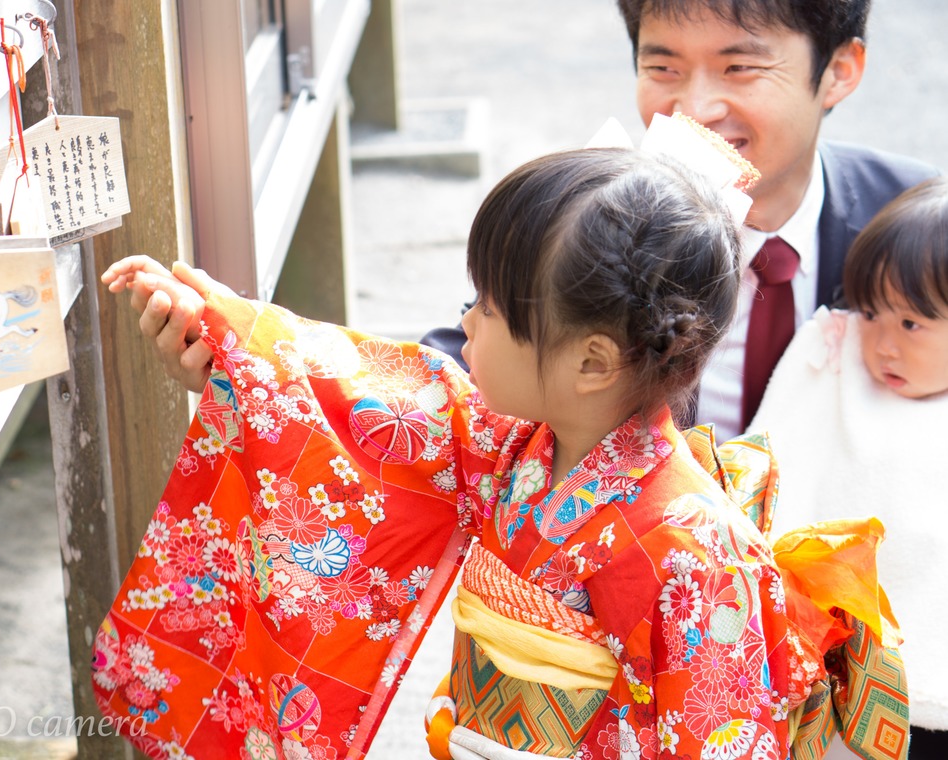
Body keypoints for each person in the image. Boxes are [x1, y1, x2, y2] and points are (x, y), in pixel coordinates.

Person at [94, 127, 902, 759]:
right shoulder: (513, 445)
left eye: (489, 307)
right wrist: (233, 335)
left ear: (591, 363)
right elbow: (369, 400)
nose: (466, 323)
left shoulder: (695, 552)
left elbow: (722, 739)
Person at [417, 0, 939, 439]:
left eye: (740, 68)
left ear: (839, 70)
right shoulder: (602, 216)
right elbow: (483, 346)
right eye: (664, 69)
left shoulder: (916, 224)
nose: (695, 108)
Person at [749, 177, 948, 758]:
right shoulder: (832, 362)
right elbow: (772, 462)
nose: (883, 344)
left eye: (911, 324)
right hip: (816, 667)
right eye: (870, 313)